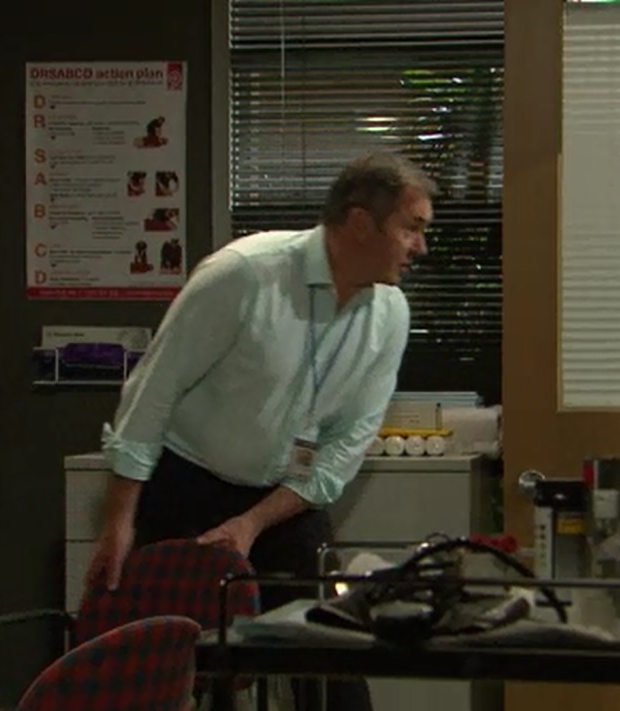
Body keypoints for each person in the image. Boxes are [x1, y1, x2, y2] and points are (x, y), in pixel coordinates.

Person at [91, 151, 433, 711]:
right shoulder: (245, 274)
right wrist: (118, 520)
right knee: (173, 669)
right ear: (360, 222)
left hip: (281, 501)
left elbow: (346, 446)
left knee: (333, 657)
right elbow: (152, 393)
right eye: (411, 228)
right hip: (185, 485)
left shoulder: (389, 314)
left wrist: (252, 522)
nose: (421, 246)